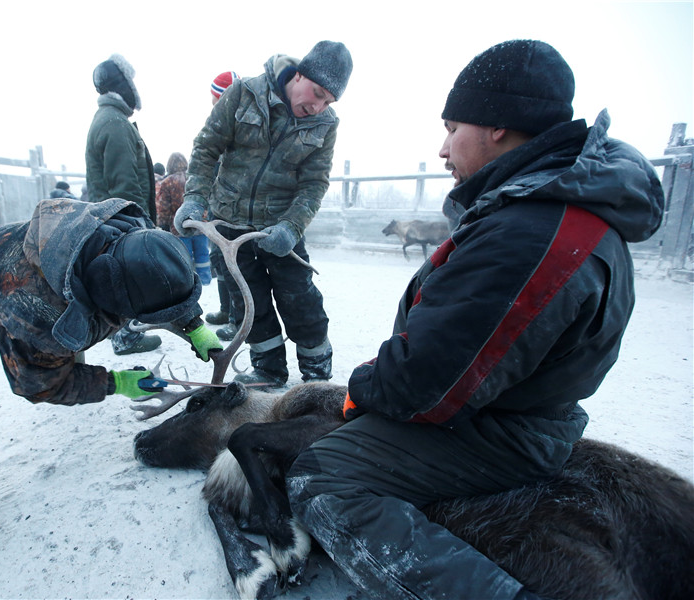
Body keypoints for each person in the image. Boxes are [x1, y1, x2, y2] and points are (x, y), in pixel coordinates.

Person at [285, 39, 665, 600]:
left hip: (506, 429)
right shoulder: (550, 211)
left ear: (497, 127)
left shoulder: (531, 233)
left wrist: (361, 389)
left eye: (452, 127)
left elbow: (428, 383)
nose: (443, 149)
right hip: (519, 407)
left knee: (321, 473)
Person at [0, 197, 222, 559]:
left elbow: (154, 276)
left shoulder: (127, 231)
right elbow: (39, 384)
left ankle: (65, 345)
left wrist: (193, 326)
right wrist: (116, 383)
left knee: (60, 335)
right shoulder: (35, 310)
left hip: (48, 280)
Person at [175, 42, 352, 386]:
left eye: (328, 101)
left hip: (280, 231)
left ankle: (317, 373)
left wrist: (291, 226)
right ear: (299, 74)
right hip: (229, 227)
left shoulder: (325, 124)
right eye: (316, 93)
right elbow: (207, 147)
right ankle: (268, 371)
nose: (318, 106)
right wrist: (195, 198)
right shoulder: (244, 94)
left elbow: (314, 183)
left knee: (301, 300)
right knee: (248, 303)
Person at [85, 53, 161, 355]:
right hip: (120, 221)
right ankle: (125, 336)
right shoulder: (115, 124)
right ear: (123, 85)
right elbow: (125, 184)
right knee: (125, 277)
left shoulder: (108, 119)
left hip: (110, 220)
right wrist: (138, 227)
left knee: (118, 277)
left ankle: (123, 333)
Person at [203, 71, 241, 339]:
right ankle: (226, 310)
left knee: (234, 267)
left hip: (234, 214)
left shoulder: (239, 128)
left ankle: (239, 320)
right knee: (220, 263)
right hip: (217, 210)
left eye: (215, 99)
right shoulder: (220, 126)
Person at [157, 152, 211, 285]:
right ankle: (206, 280)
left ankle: (189, 282)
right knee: (203, 255)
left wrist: (163, 224)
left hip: (179, 228)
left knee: (185, 257)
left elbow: (163, 207)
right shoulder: (194, 179)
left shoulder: (167, 182)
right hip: (200, 226)